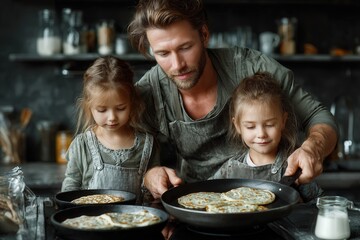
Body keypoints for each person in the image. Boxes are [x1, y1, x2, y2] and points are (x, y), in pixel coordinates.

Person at [127, 0, 338, 199]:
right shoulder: (149, 90)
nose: (177, 65)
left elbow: (317, 116)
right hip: (194, 205)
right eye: (163, 53)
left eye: (185, 48)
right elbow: (121, 143)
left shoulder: (252, 67)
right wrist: (149, 173)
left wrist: (313, 148)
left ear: (204, 34)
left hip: (267, 197)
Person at [211, 72, 323, 202]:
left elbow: (319, 205)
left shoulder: (294, 169)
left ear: (283, 121)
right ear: (237, 125)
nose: (261, 134)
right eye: (251, 127)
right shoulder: (230, 169)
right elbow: (206, 197)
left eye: (269, 125)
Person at [61, 56, 160, 204]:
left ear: (132, 103)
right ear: (89, 107)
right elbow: (71, 187)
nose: (112, 117)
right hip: (91, 223)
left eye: (120, 108)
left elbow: (152, 194)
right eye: (102, 110)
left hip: (134, 223)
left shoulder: (148, 145)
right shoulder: (82, 144)